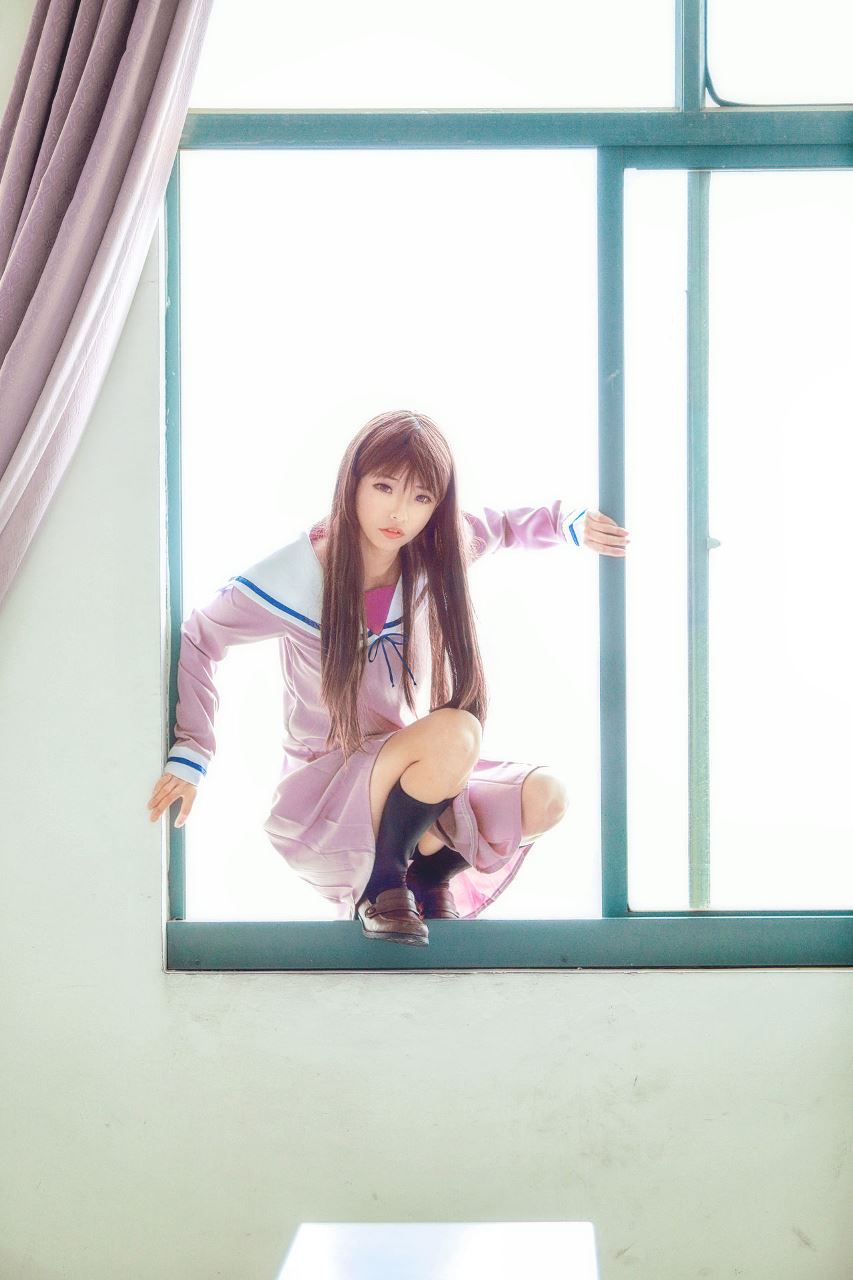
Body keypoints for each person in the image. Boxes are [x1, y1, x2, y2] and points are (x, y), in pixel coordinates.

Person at [146, 410, 630, 946]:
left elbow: (503, 527)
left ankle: (426, 874)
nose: (399, 512)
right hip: (326, 794)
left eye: (421, 497)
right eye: (383, 487)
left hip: (408, 775)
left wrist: (569, 522)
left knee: (546, 797)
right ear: (352, 483)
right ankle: (381, 885)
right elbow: (201, 635)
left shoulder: (433, 555)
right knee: (456, 732)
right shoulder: (296, 574)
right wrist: (192, 752)